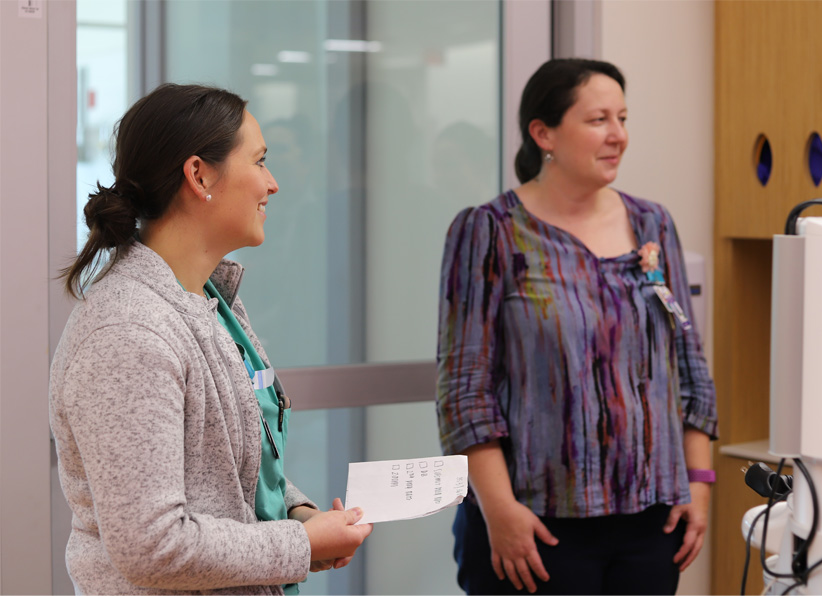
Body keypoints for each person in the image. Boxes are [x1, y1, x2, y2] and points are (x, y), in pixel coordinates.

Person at [49, 83, 372, 595]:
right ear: (199, 175)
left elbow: (232, 464)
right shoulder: (128, 334)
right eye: (260, 161)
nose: (273, 183)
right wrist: (299, 545)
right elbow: (152, 547)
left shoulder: (210, 300)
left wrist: (298, 513)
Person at [436, 58, 718, 595]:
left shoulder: (652, 224)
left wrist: (698, 483)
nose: (618, 136)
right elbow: (463, 392)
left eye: (623, 118)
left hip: (651, 521)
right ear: (543, 133)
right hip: (534, 526)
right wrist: (499, 512)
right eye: (598, 120)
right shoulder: (490, 232)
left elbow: (690, 366)